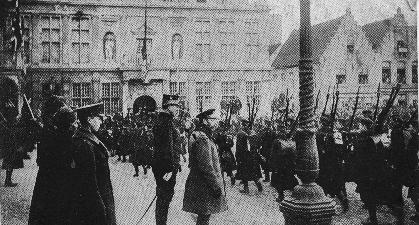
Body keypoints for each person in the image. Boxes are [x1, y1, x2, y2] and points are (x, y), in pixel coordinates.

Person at [28, 106, 77, 225]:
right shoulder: (69, 138)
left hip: (46, 181)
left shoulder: (49, 135)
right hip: (62, 183)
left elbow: (40, 159)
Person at [71, 102, 116, 225]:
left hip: (101, 197)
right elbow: (89, 181)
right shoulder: (85, 143)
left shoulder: (89, 138)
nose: (101, 122)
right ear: (89, 120)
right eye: (98, 118)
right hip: (96, 202)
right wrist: (100, 207)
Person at [183, 109, 228, 225]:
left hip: (200, 182)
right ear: (205, 120)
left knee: (203, 217)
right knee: (204, 217)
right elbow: (206, 166)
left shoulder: (201, 134)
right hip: (204, 185)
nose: (216, 122)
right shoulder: (202, 138)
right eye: (213, 120)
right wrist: (215, 186)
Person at [152, 94, 182, 225]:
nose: (177, 109)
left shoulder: (165, 120)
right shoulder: (165, 122)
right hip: (165, 169)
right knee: (164, 199)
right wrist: (170, 169)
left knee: (164, 199)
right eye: (175, 106)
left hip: (165, 167)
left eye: (178, 106)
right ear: (167, 106)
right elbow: (166, 148)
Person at [235, 120, 263, 194]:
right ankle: (258, 185)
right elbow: (258, 145)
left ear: (242, 125)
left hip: (244, 156)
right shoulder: (253, 133)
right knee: (252, 172)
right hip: (251, 156)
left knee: (243, 172)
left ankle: (246, 189)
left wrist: (237, 157)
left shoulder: (240, 134)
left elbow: (239, 147)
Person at [1, 101, 25, 187]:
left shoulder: (8, 124)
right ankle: (8, 181)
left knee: (10, 163)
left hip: (10, 146)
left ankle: (8, 180)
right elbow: (11, 137)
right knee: (10, 163)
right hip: (10, 146)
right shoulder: (8, 125)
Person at [214, 121, 236, 186]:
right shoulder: (219, 135)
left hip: (226, 153)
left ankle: (232, 177)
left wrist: (225, 145)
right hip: (222, 153)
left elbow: (231, 144)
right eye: (220, 126)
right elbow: (216, 142)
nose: (220, 128)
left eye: (221, 126)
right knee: (221, 167)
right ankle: (224, 181)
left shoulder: (227, 136)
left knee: (227, 167)